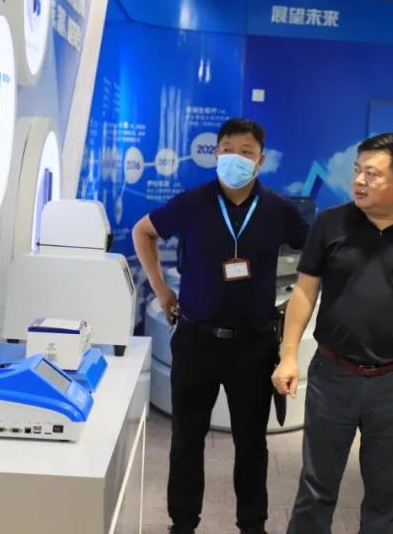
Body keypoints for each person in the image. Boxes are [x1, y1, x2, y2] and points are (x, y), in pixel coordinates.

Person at [132, 118, 309, 534]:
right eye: (227, 149)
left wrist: (301, 298)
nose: (235, 158)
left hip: (254, 345)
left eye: (246, 152)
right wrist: (160, 288)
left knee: (251, 444)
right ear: (216, 154)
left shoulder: (279, 209)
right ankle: (182, 523)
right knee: (186, 440)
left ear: (260, 161)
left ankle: (252, 525)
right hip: (197, 340)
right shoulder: (192, 202)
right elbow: (143, 231)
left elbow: (316, 253)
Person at [273, 133, 393, 534]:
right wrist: (288, 355)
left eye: (372, 174)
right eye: (357, 170)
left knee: (386, 494)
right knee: (316, 488)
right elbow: (304, 292)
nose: (358, 180)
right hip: (332, 375)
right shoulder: (330, 223)